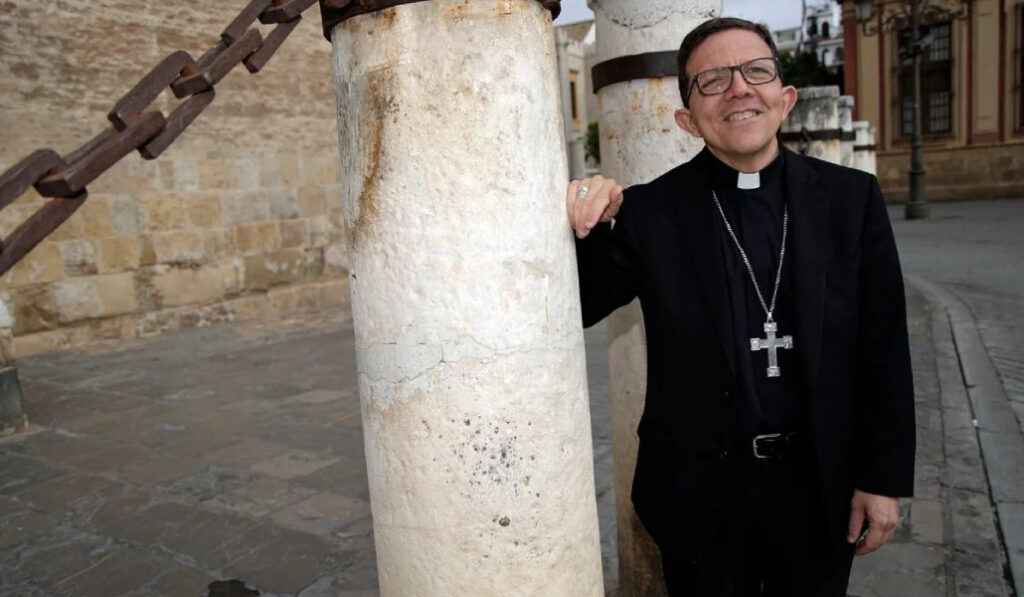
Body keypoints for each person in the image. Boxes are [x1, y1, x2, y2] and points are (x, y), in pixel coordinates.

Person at [568, 17, 915, 597]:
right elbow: (571, 305)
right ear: (687, 118)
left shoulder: (850, 200)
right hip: (698, 498)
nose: (739, 89)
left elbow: (884, 346)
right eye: (712, 80)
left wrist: (880, 480)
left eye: (756, 71)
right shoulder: (650, 215)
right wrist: (578, 218)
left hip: (820, 489)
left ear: (785, 97)